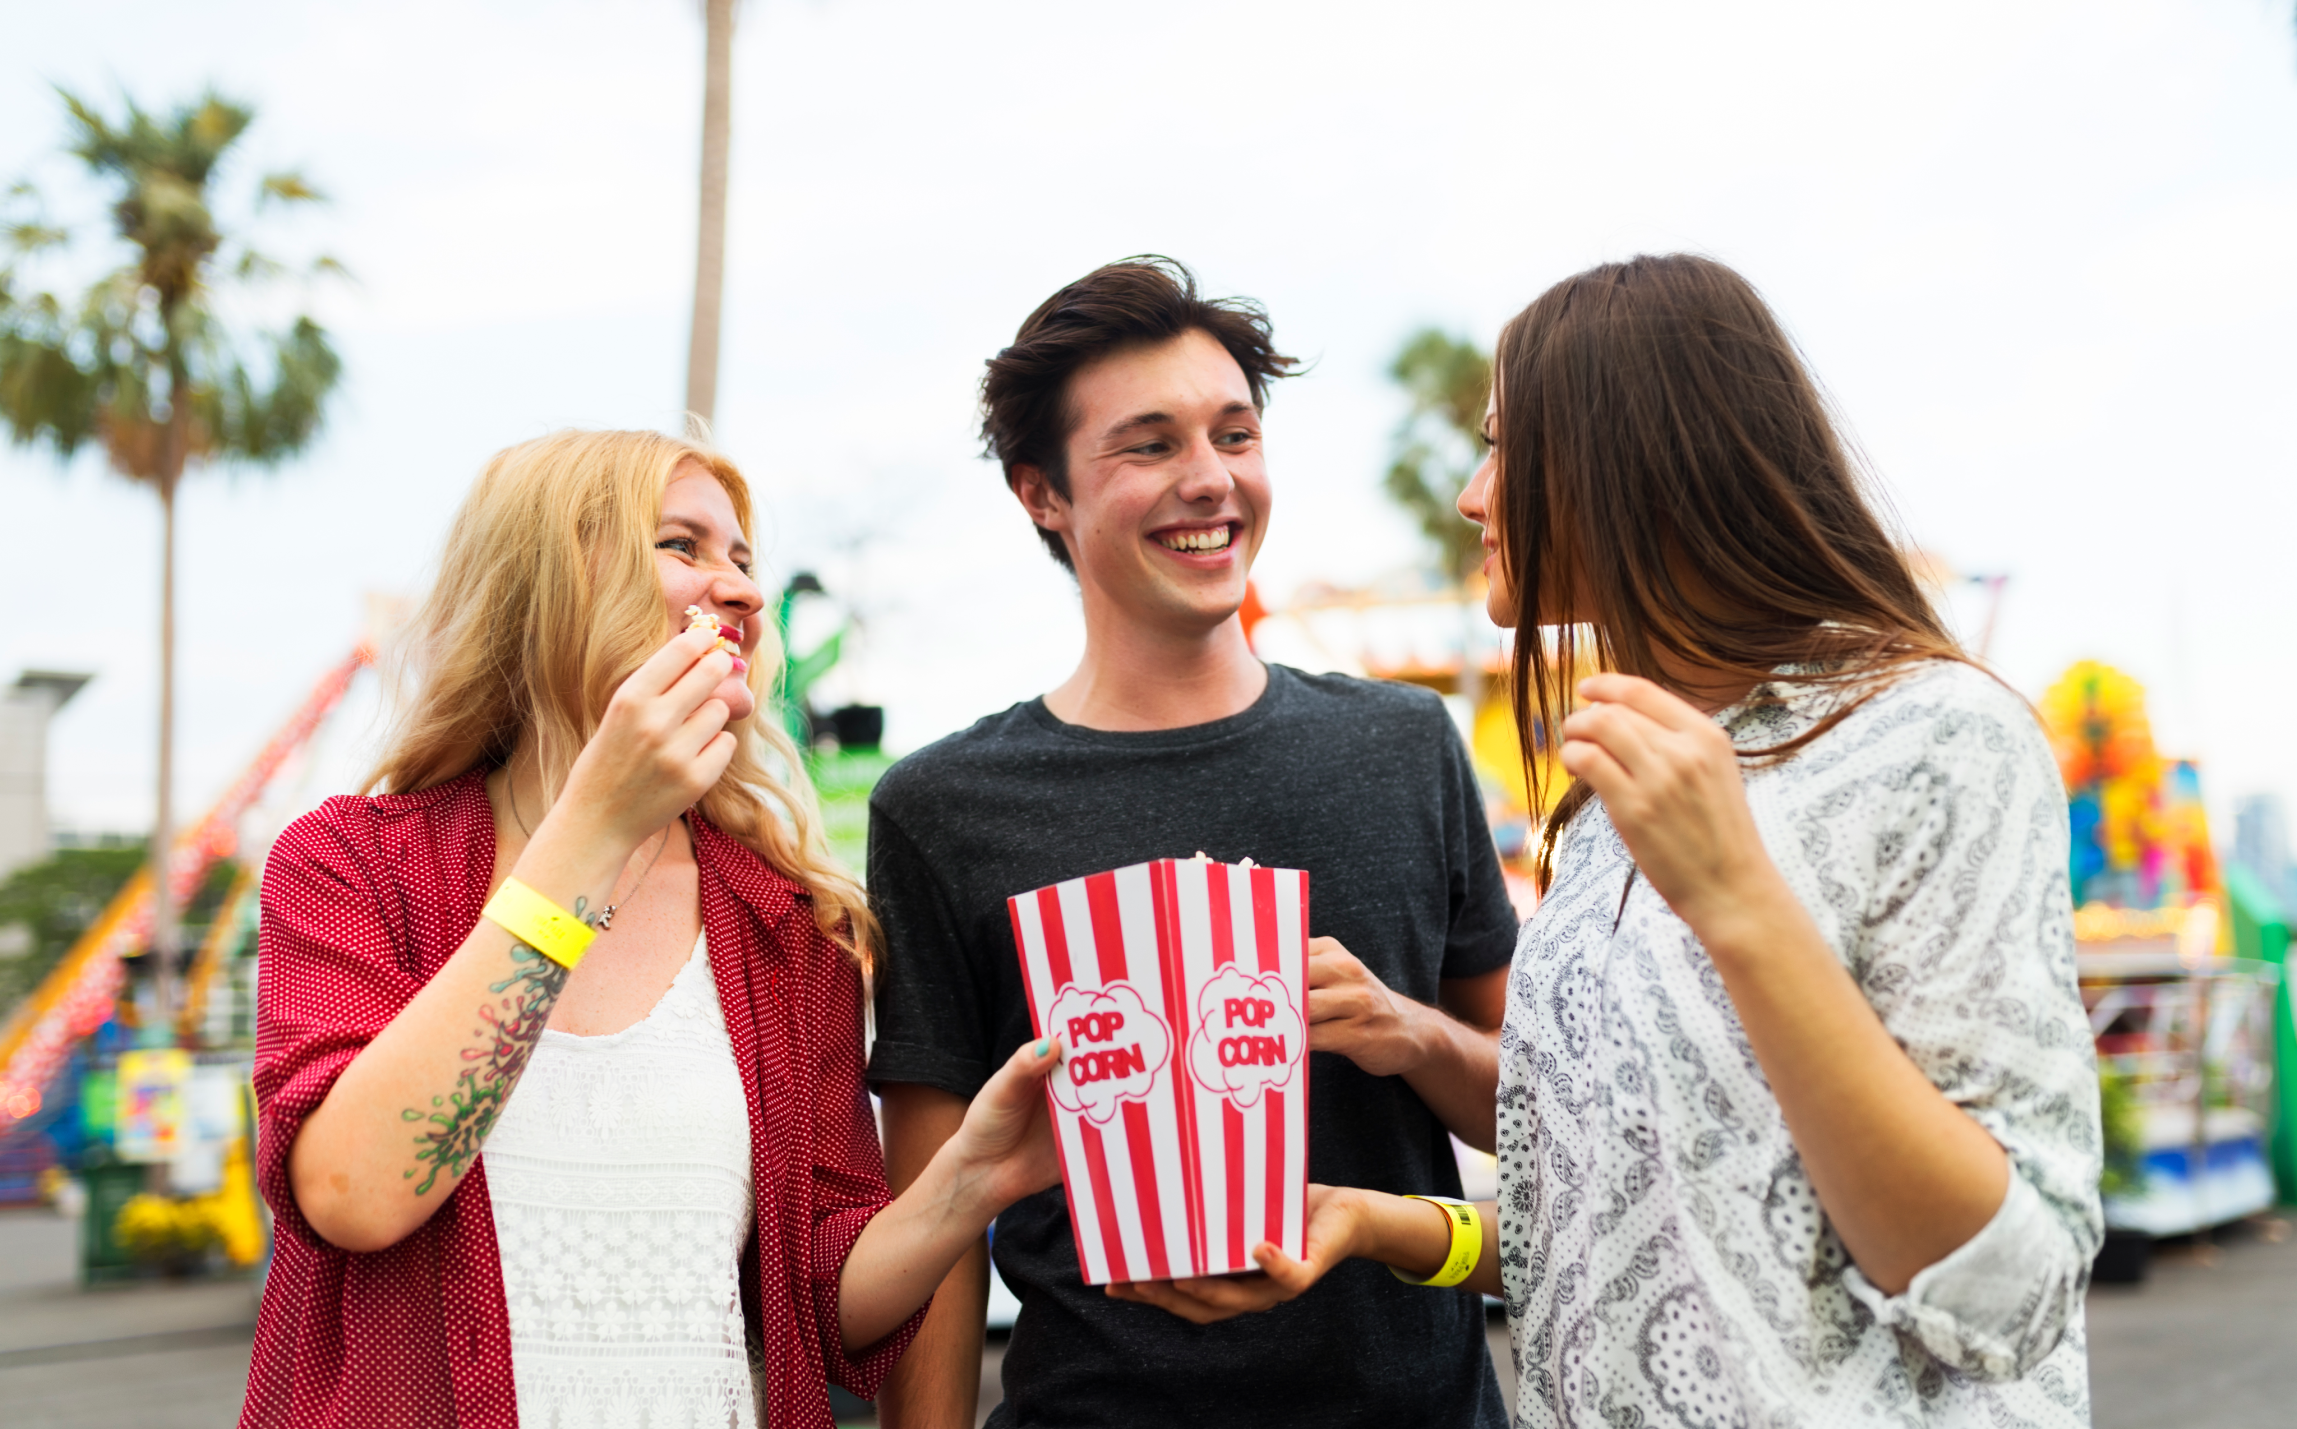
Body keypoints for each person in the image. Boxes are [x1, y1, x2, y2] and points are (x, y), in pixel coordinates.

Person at [1180, 254, 2103, 1427]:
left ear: (1630, 460)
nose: (1472, 494)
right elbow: (1649, 1232)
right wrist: (1374, 1220)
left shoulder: (1933, 737)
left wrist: (1739, 905)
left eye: (1503, 445)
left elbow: (2008, 1294)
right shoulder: (1619, 789)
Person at [244, 429, 1064, 1429]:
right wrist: (591, 836)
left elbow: (817, 1309)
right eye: (682, 545)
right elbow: (352, 1192)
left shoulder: (787, 927)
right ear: (544, 583)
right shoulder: (349, 866)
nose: (744, 593)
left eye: (744, 560)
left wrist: (965, 1183)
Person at [865, 257, 1520, 1429]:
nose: (1209, 480)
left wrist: (1402, 1032)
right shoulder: (944, 808)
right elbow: (939, 1224)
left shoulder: (1402, 744)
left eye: (1234, 434)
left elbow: (1535, 1113)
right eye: (1149, 444)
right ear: (1041, 495)